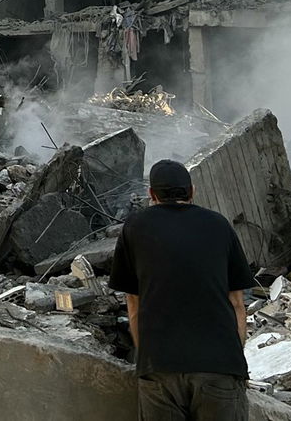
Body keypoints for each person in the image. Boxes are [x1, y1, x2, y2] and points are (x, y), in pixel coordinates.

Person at [109, 159, 258, 421]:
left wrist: (147, 361)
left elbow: (133, 304)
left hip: (160, 367)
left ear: (152, 195)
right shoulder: (219, 225)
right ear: (192, 191)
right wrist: (235, 363)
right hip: (218, 365)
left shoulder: (134, 227)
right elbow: (237, 304)